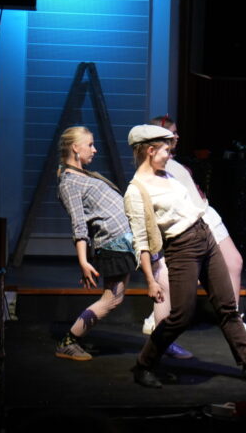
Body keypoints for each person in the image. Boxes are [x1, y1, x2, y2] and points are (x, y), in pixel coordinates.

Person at [124, 125, 246, 388]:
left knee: (227, 306)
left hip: (205, 237)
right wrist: (150, 280)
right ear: (150, 150)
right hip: (181, 248)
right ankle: (144, 365)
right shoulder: (137, 190)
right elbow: (141, 241)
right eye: (165, 150)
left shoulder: (168, 174)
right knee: (181, 315)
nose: (169, 155)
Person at [55, 126, 190, 361]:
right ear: (75, 147)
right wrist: (83, 261)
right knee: (112, 300)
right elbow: (79, 224)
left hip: (132, 237)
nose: (94, 150)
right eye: (90, 145)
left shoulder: (84, 175)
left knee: (163, 279)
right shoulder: (69, 182)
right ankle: (69, 341)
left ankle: (162, 342)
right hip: (115, 245)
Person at [146, 115, 246, 338]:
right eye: (172, 133)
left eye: (176, 132)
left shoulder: (173, 162)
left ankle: (234, 319)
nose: (177, 136)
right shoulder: (156, 164)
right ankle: (157, 317)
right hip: (188, 219)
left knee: (234, 262)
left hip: (206, 213)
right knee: (175, 274)